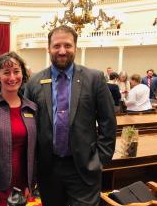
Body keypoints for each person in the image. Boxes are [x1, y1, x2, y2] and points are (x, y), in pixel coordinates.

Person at [25, 25, 116, 206]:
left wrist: (99, 160)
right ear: (48, 48)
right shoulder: (34, 81)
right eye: (56, 46)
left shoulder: (94, 78)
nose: (62, 51)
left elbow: (108, 122)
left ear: (75, 47)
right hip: (48, 170)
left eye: (67, 45)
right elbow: (29, 125)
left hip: (84, 168)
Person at [0, 51, 37, 206]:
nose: (12, 77)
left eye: (16, 72)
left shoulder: (31, 108)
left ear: (23, 75)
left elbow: (35, 149)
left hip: (23, 184)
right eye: (6, 72)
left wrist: (31, 182)